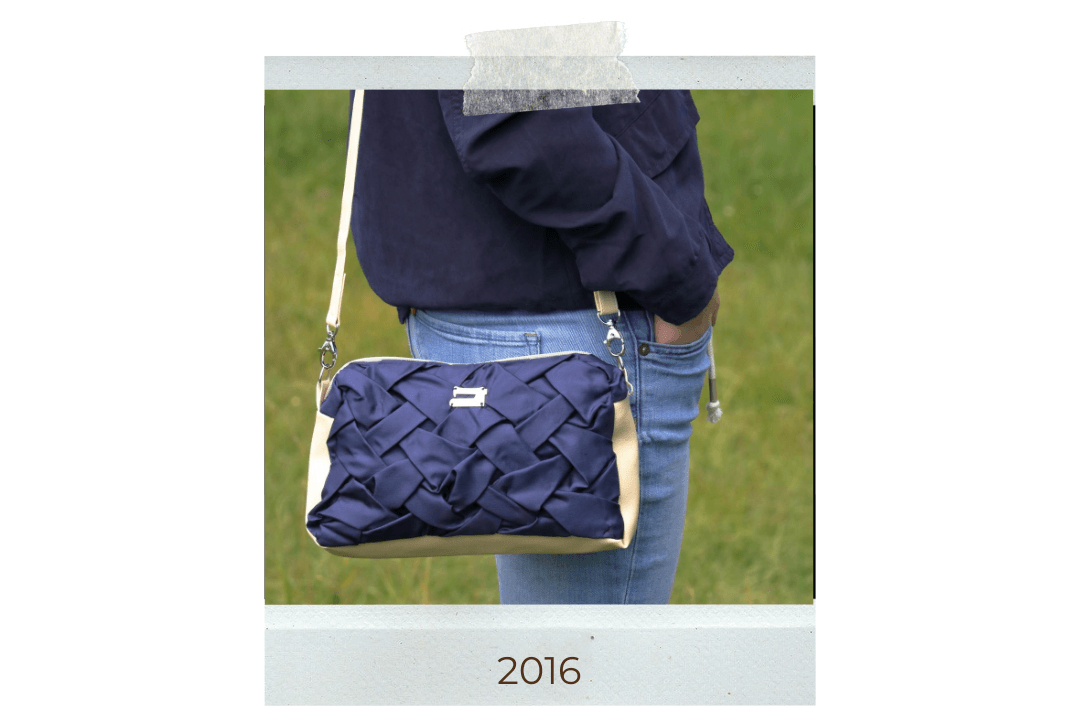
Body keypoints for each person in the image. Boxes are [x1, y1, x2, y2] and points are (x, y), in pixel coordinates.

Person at [348, 89, 733, 603]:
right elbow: (519, 120)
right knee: (589, 654)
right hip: (579, 326)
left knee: (555, 647)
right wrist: (677, 275)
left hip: (467, 281)